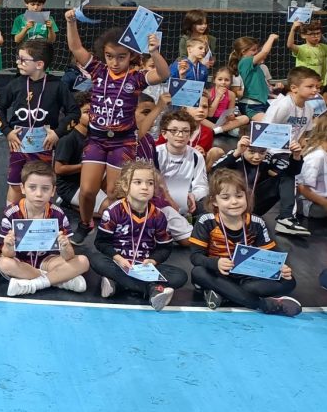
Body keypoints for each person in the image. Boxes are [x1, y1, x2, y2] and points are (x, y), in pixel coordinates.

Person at [63, 10, 168, 242]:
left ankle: (115, 229)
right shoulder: (98, 70)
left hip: (123, 140)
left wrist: (154, 52)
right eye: (110, 56)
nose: (115, 62)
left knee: (114, 192)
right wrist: (71, 22)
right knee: (88, 190)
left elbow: (163, 73)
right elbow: (76, 48)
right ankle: (84, 223)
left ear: (131, 55)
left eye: (121, 57)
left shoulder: (137, 77)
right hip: (97, 138)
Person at [190, 169, 301, 316]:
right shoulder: (206, 221)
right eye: (226, 197)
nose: (234, 202)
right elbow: (196, 257)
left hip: (247, 277)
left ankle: (224, 294)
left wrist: (281, 267)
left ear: (246, 197)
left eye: (239, 196)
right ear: (214, 201)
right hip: (219, 274)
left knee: (289, 281)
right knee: (198, 272)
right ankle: (263, 304)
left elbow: (271, 253)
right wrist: (216, 263)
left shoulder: (256, 222)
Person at [89, 160, 187, 309]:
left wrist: (153, 261)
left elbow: (165, 248)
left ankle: (118, 284)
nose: (144, 187)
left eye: (150, 183)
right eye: (138, 182)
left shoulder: (159, 216)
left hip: (144, 267)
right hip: (120, 264)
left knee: (180, 276)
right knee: (96, 261)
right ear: (125, 185)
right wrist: (119, 258)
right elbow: (101, 243)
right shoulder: (114, 211)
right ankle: (152, 290)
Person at [0, 40, 78, 205]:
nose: (18, 62)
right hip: (18, 144)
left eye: (23, 59)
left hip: (44, 146)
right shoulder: (16, 84)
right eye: (18, 58)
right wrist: (7, 131)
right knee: (15, 185)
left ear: (39, 64)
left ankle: (39, 222)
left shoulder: (57, 86)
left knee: (41, 185)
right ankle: (10, 221)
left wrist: (57, 133)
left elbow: (74, 113)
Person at [0, 161, 89, 296]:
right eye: (32, 187)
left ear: (53, 191)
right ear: (22, 188)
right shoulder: (11, 213)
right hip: (21, 262)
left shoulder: (58, 214)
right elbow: (7, 254)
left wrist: (65, 247)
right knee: (3, 263)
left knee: (83, 261)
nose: (39, 194)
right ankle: (59, 280)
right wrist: (9, 246)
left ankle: (33, 284)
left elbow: (69, 256)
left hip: (48, 261)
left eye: (45, 188)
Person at [268, 66, 327, 236]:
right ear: (294, 88)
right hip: (271, 151)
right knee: (289, 172)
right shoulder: (283, 105)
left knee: (299, 166)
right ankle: (286, 217)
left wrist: (301, 150)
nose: (315, 90)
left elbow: (302, 135)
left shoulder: (308, 109)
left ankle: (292, 214)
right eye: (310, 86)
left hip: (290, 152)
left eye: (317, 86)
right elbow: (262, 132)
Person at [210, 134, 299, 217]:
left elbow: (292, 173)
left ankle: (286, 217)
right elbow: (214, 171)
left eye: (262, 152)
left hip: (255, 204)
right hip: (232, 201)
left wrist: (296, 156)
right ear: (244, 148)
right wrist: (236, 153)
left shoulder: (269, 158)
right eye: (251, 152)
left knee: (287, 177)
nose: (257, 157)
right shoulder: (235, 154)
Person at [153, 110, 207, 238]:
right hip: (160, 203)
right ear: (164, 134)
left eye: (185, 131)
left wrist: (194, 195)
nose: (180, 135)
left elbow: (202, 186)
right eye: (174, 130)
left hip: (186, 204)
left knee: (210, 208)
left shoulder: (196, 156)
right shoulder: (155, 153)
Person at [232, 34, 280, 118]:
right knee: (267, 124)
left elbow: (260, 89)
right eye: (253, 50)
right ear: (243, 52)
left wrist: (274, 94)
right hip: (250, 105)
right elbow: (264, 52)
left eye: (257, 49)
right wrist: (271, 37)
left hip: (263, 104)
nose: (256, 52)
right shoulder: (245, 62)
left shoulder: (258, 68)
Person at [287, 20, 327, 84]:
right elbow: (290, 45)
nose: (316, 36)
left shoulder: (325, 48)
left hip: (319, 84)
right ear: (303, 35)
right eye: (312, 34)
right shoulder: (302, 49)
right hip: (304, 84)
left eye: (318, 33)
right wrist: (293, 29)